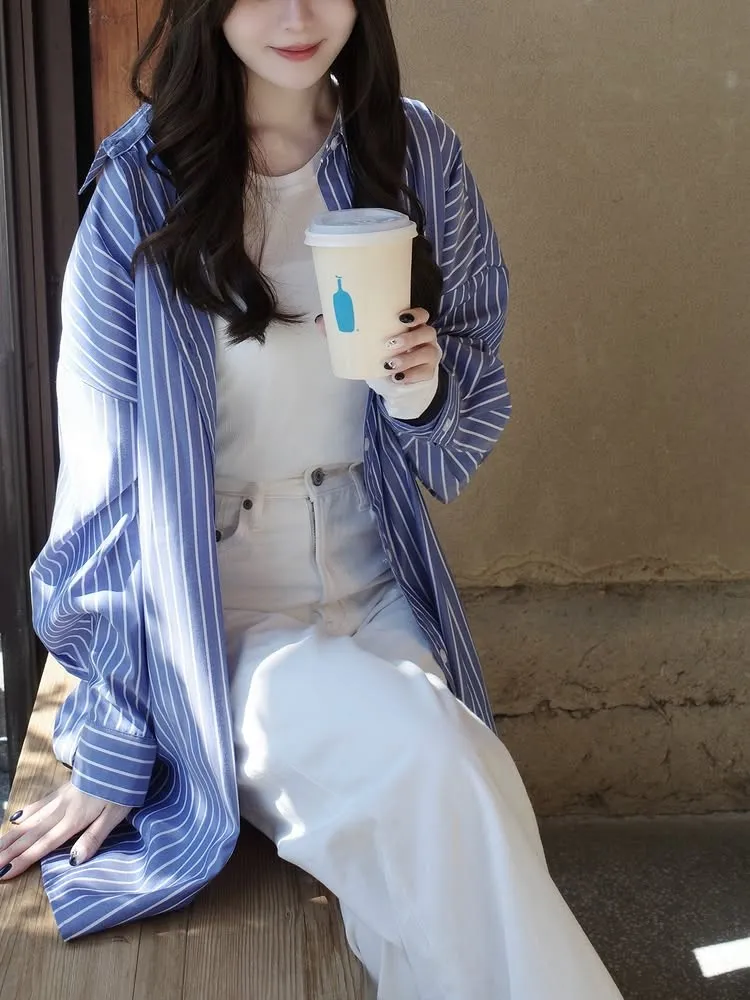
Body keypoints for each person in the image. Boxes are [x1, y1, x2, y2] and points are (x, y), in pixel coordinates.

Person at [0, 1, 624, 996]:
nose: (295, 15)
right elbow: (105, 489)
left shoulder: (414, 152)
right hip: (223, 616)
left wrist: (418, 389)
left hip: (374, 579)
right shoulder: (141, 186)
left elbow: (470, 376)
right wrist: (115, 742)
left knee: (467, 799)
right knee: (436, 765)